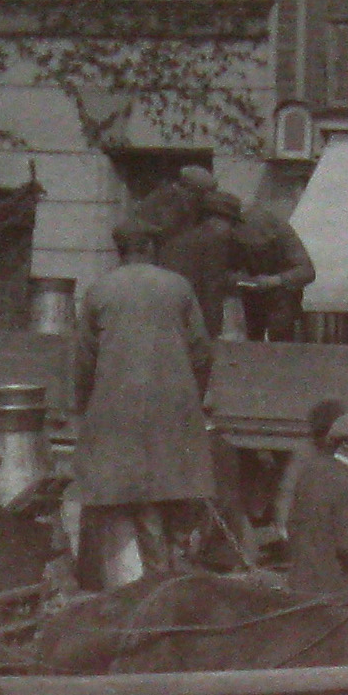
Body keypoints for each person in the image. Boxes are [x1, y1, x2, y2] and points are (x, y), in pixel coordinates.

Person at [72, 222, 216, 587]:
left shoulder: (99, 290)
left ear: (119, 251)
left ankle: (114, 582)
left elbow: (83, 360)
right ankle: (168, 574)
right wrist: (191, 398)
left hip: (114, 413)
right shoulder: (177, 286)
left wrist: (85, 408)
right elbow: (201, 351)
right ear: (151, 247)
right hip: (172, 411)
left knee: (117, 498)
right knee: (170, 496)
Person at [283, 408, 348, 596]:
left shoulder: (312, 470)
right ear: (347, 443)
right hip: (333, 584)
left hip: (300, 577)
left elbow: (293, 523)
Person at [229, 199, 315, 342]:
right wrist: (239, 278)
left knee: (282, 331)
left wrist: (276, 280)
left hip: (282, 295)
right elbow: (221, 271)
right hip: (250, 297)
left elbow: (307, 271)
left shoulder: (284, 235)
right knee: (251, 339)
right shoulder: (233, 236)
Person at [158, 188, 238, 341]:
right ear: (215, 219)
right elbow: (212, 290)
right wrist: (213, 332)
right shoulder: (214, 242)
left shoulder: (179, 240)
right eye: (231, 223)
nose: (232, 230)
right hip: (194, 319)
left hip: (167, 317)